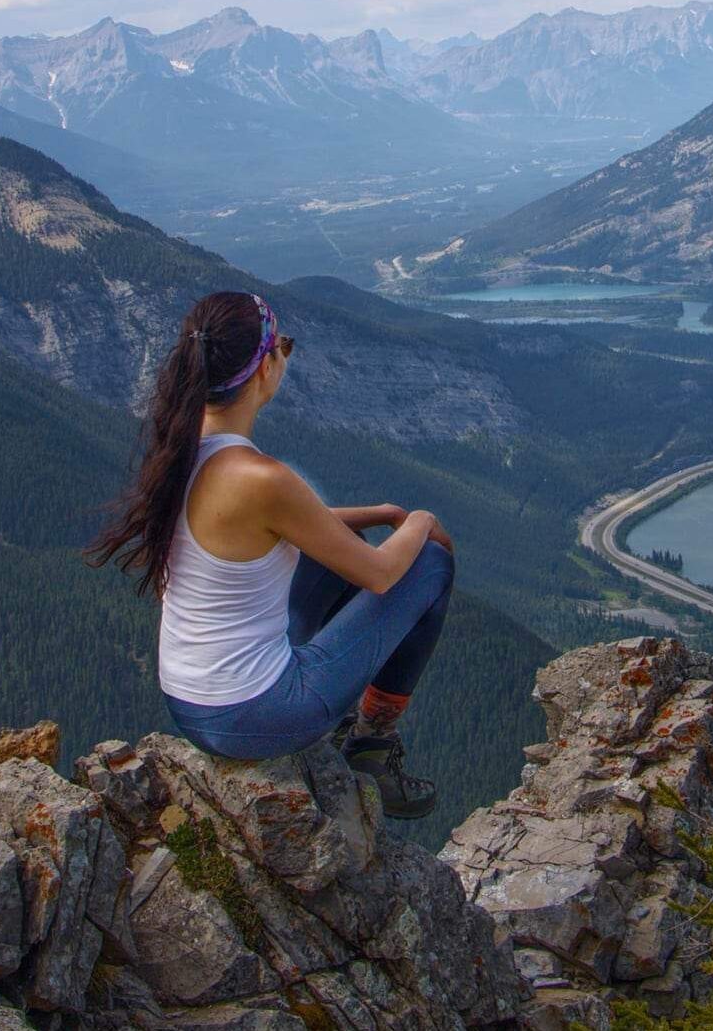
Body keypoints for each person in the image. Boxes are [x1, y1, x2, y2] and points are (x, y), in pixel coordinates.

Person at [87, 289, 456, 819]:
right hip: (252, 715)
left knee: (332, 559)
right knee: (429, 566)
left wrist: (376, 512)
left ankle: (348, 726)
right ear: (265, 366)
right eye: (284, 345)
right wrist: (420, 520)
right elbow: (379, 574)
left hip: (192, 700)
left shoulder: (183, 448)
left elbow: (294, 527)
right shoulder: (259, 479)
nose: (285, 355)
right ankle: (372, 746)